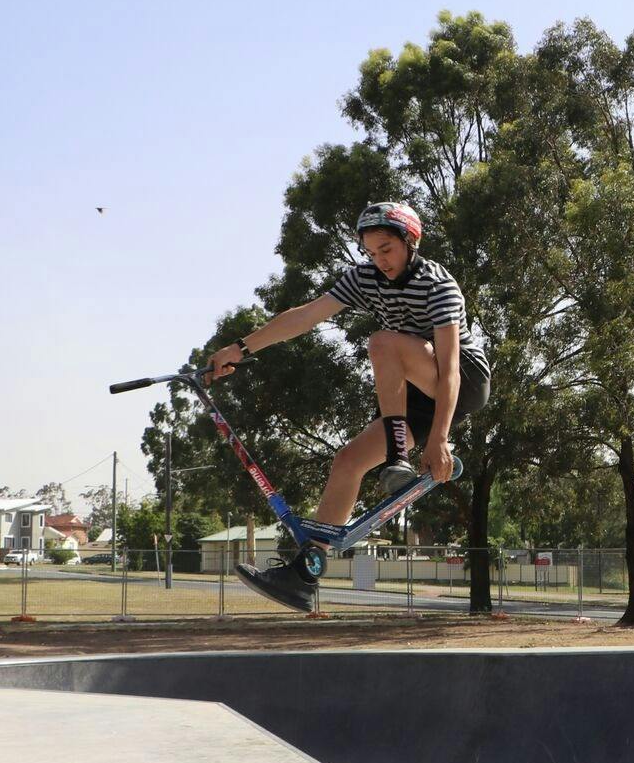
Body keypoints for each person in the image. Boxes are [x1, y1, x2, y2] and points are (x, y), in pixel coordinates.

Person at [206, 201, 491, 610]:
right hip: (414, 390)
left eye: (386, 249)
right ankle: (305, 574)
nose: (380, 261)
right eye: (371, 253)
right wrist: (240, 347)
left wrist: (440, 439)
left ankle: (398, 457)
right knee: (348, 461)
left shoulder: (437, 284)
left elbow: (449, 370)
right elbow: (305, 316)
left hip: (462, 379)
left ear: (410, 242)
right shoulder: (365, 278)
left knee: (382, 342)